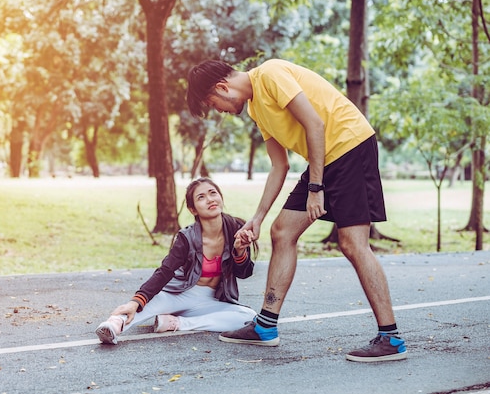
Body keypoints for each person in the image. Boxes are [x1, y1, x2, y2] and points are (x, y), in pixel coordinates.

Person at [185, 59, 407, 362]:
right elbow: (280, 165)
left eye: (213, 103)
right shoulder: (255, 108)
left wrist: (316, 189)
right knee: (281, 231)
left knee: (353, 244)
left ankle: (391, 338)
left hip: (349, 145)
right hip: (325, 157)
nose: (219, 111)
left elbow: (315, 124)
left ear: (222, 87)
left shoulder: (271, 74)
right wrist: (258, 217)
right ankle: (266, 326)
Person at [95, 177, 258, 345]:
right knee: (145, 306)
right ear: (192, 209)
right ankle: (113, 325)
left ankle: (176, 323)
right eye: (201, 197)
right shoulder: (186, 237)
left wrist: (239, 250)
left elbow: (244, 273)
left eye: (213, 193)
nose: (210, 199)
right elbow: (166, 271)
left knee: (249, 318)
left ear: (220, 197)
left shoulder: (236, 229)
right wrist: (136, 301)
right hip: (179, 294)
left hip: (211, 300)